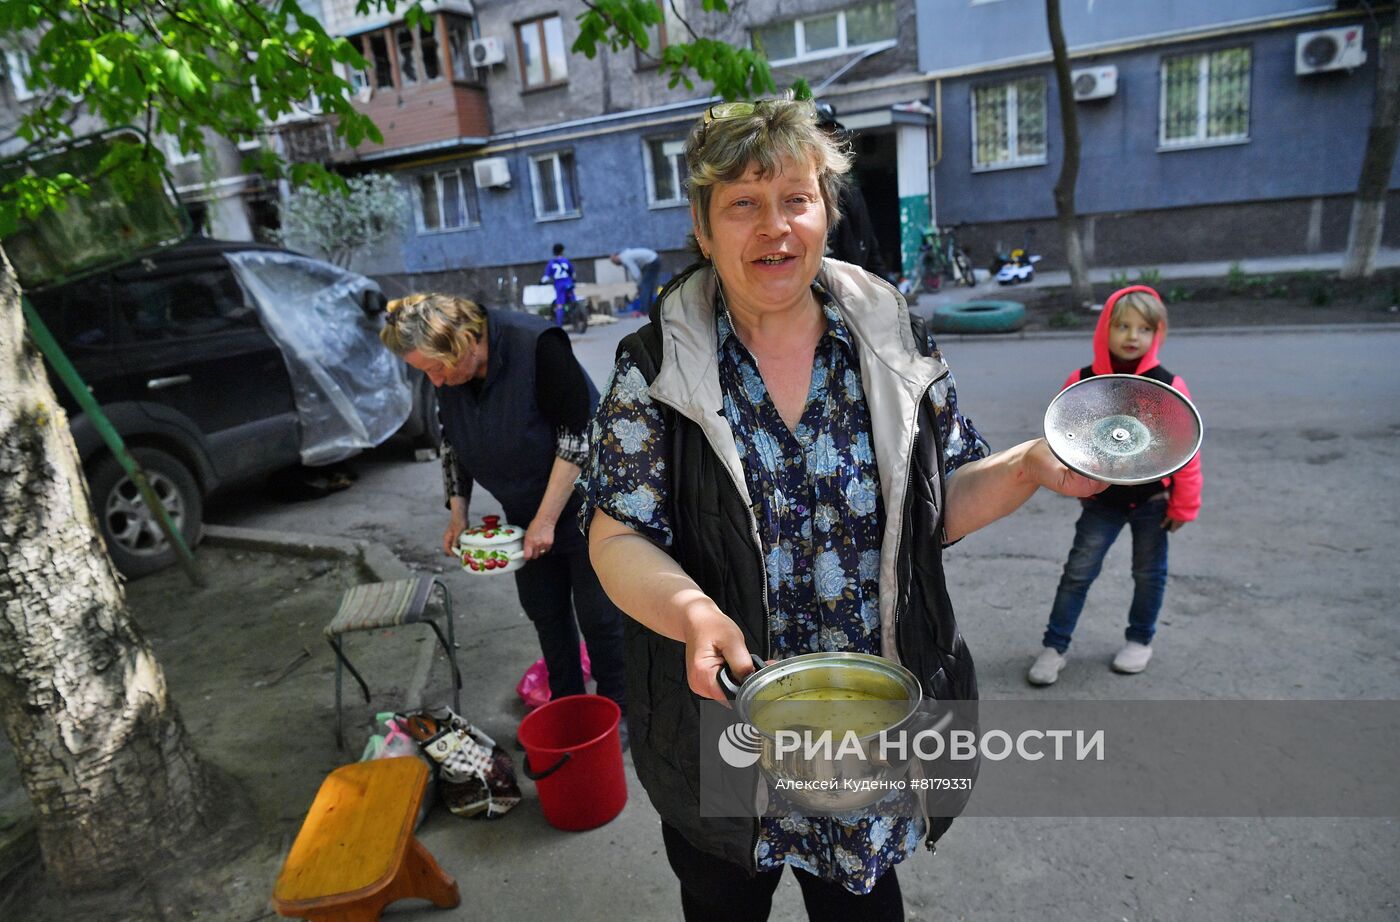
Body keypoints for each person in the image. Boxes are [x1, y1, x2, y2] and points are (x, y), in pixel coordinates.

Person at [579, 98, 1103, 921]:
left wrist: (1030, 467)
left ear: (826, 208)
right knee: (723, 905)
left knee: (863, 910)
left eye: (795, 198)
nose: (773, 227)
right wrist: (690, 612)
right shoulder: (653, 366)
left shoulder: (893, 344)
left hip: (866, 730)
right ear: (703, 226)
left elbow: (937, 513)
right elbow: (616, 535)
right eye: (743, 204)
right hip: (724, 727)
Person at [379, 293, 627, 723]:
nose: (435, 382)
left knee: (600, 618)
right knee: (545, 612)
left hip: (591, 506)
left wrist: (546, 521)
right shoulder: (451, 377)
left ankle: (615, 711)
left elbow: (578, 437)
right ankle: (569, 708)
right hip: (526, 511)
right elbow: (453, 440)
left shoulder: (537, 345)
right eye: (426, 373)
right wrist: (458, 514)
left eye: (436, 369)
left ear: (467, 342)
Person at [1027, 286, 1202, 685]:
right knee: (1078, 572)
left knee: (1148, 573)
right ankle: (1055, 646)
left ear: (1157, 333)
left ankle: (1140, 640)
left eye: (1143, 328)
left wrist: (1184, 505)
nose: (1131, 336)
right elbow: (1063, 436)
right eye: (1122, 325)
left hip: (1153, 501)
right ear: (1105, 328)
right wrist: (1070, 479)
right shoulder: (1083, 381)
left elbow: (1187, 449)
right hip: (1102, 501)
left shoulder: (1168, 383)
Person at [814, 101, 884, 276]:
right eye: (820, 130)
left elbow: (868, 239)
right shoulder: (799, 191)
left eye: (830, 131)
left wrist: (883, 282)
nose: (827, 138)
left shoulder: (847, 186)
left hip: (854, 283)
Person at [609, 246, 661, 316]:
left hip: (651, 261)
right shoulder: (625, 255)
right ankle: (649, 309)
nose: (616, 264)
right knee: (648, 286)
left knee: (644, 287)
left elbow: (635, 271)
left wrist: (639, 284)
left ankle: (644, 311)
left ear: (616, 257)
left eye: (614, 262)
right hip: (653, 259)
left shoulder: (625, 258)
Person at [542, 242, 578, 328]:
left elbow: (546, 277)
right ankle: (577, 319)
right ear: (562, 251)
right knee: (573, 302)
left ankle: (559, 326)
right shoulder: (566, 261)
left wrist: (541, 282)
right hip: (569, 284)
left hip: (560, 285)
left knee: (560, 305)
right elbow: (573, 273)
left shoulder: (551, 263)